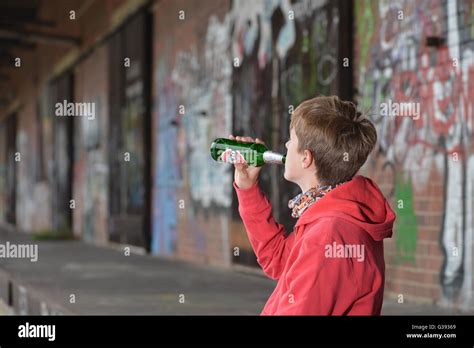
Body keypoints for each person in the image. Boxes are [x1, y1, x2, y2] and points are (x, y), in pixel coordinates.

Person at [230, 95, 396, 315]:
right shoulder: (332, 215)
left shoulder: (329, 233)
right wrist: (248, 188)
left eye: (291, 139)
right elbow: (280, 260)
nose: (286, 145)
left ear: (306, 158)